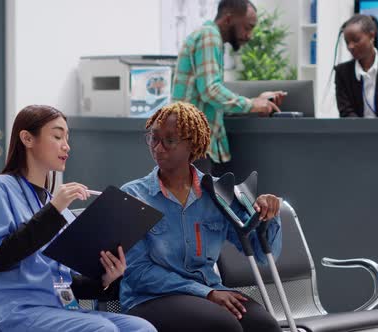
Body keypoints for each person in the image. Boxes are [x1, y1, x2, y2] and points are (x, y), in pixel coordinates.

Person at [0, 105, 156, 332]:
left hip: (56, 308)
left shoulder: (56, 206)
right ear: (27, 138)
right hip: (9, 309)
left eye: (67, 137)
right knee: (103, 330)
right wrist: (54, 211)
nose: (66, 146)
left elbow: (64, 282)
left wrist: (105, 279)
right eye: (57, 136)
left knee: (141, 328)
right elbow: (0, 258)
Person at [119, 102, 282, 332]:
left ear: (192, 145)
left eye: (170, 140)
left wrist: (268, 216)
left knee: (265, 326)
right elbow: (137, 272)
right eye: (153, 138)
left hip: (208, 292)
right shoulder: (133, 195)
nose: (158, 147)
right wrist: (207, 293)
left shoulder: (218, 193)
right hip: (150, 298)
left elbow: (263, 254)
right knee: (222, 325)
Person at [172, 0, 286, 176]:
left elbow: (208, 96)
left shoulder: (209, 37)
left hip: (191, 143)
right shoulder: (209, 36)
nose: (249, 35)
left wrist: (257, 100)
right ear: (228, 19)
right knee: (197, 202)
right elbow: (211, 90)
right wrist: (251, 104)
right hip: (190, 141)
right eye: (247, 27)